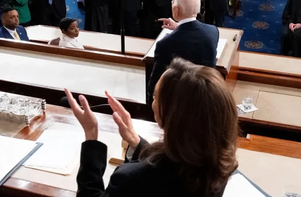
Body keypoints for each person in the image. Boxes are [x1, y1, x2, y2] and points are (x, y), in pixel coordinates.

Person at [65, 58, 237, 197]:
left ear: (169, 113)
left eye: (155, 97)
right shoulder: (221, 163)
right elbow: (171, 165)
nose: (152, 104)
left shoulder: (130, 179)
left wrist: (91, 136)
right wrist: (136, 141)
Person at [150, 0, 219, 103]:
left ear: (176, 9)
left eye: (172, 1)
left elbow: (156, 82)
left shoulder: (166, 43)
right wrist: (179, 27)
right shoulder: (213, 31)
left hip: (179, 101)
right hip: (206, 98)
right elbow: (193, 36)